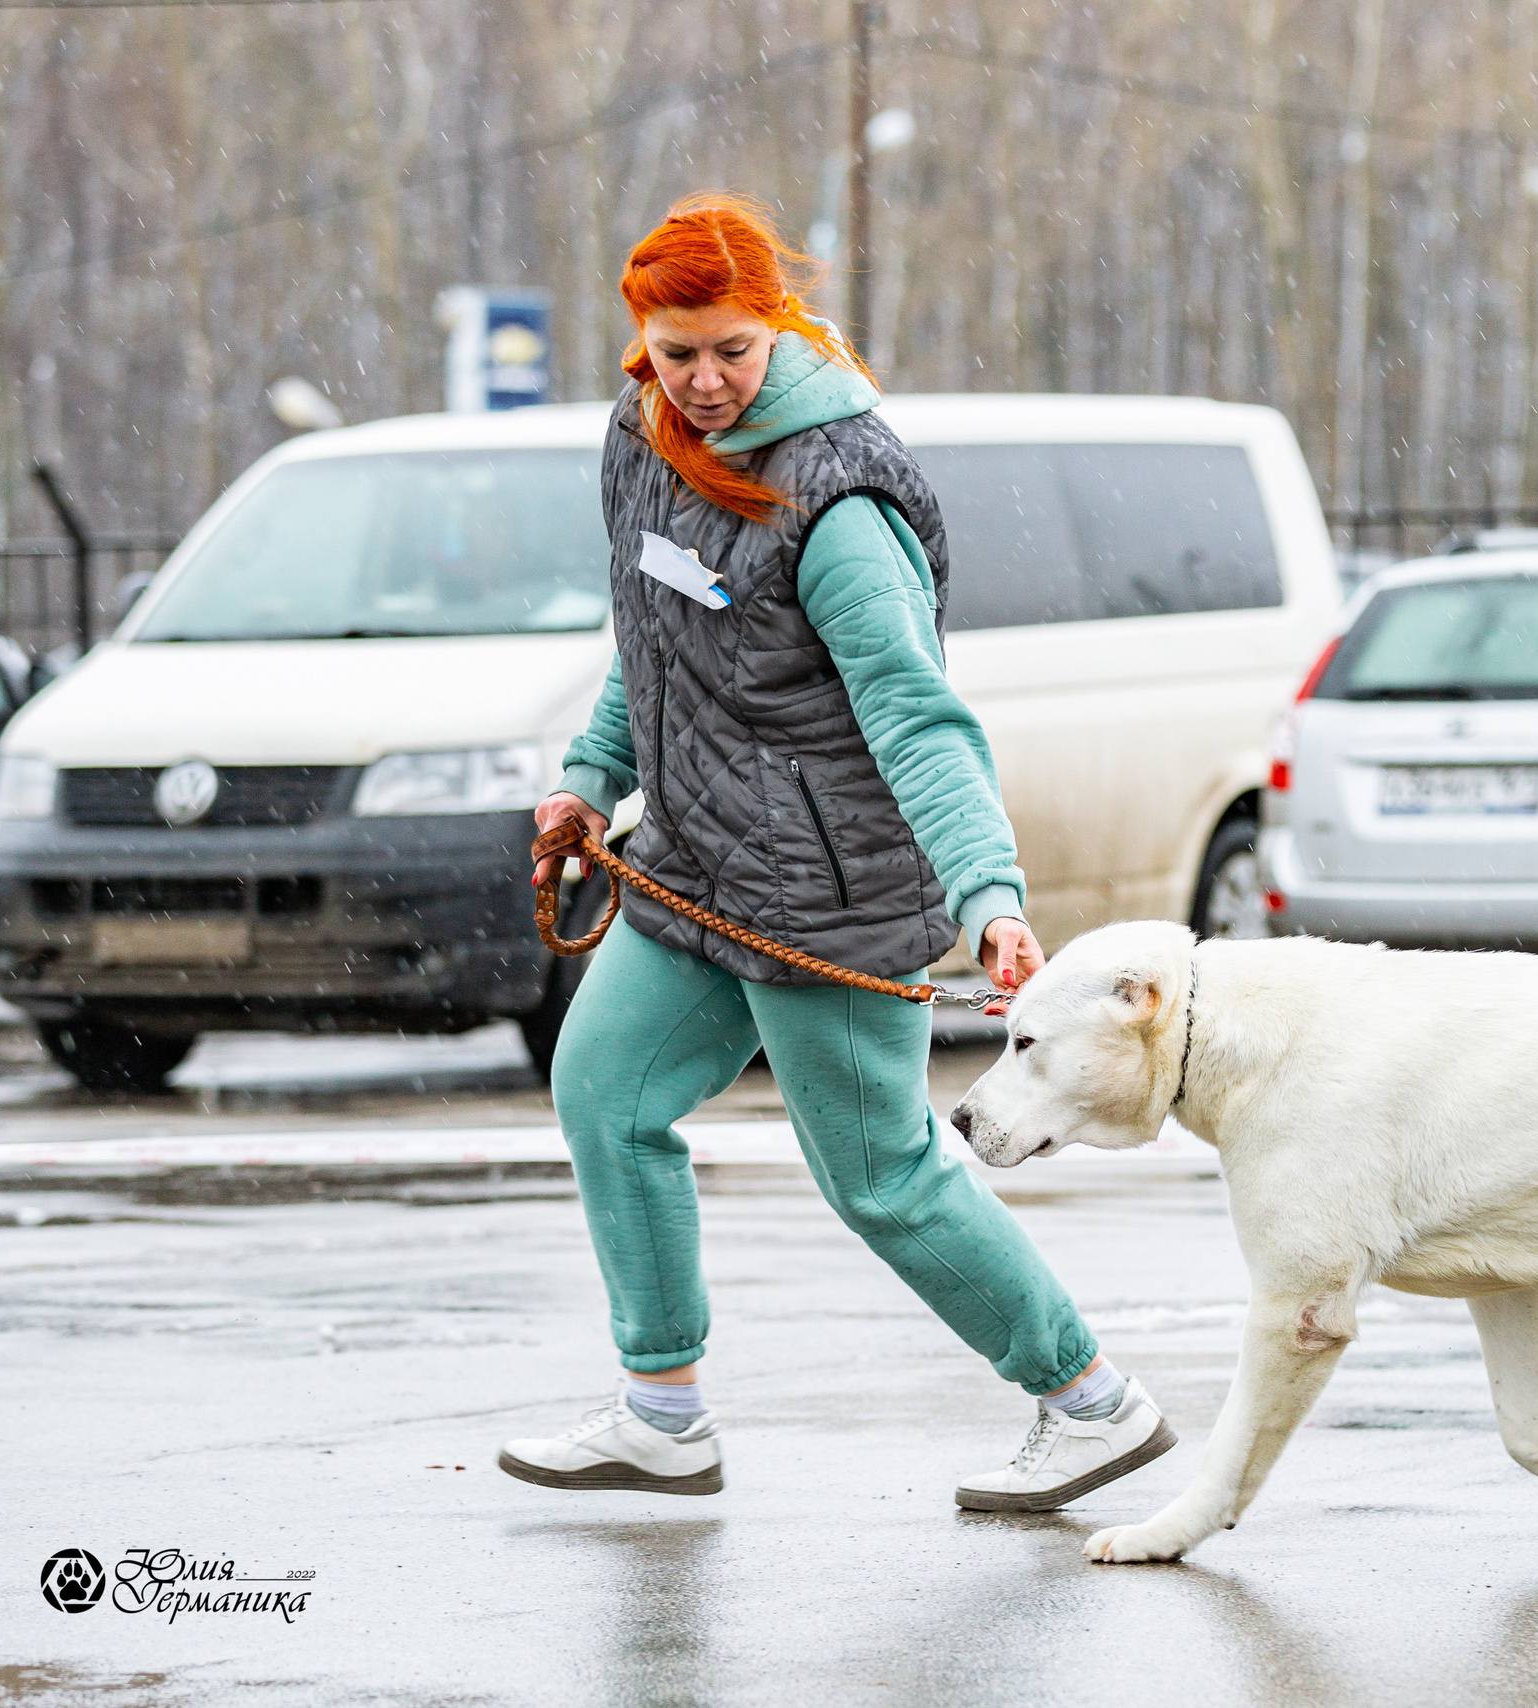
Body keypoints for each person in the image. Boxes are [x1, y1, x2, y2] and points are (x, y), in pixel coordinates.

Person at [495, 194, 1174, 1506]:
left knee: (881, 1181)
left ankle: (1093, 1402)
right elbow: (656, 641)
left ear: (779, 326)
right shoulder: (641, 440)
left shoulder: (837, 499)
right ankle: (663, 1412)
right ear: (641, 339)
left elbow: (918, 715)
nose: (704, 380)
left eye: (732, 350)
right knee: (604, 1095)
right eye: (677, 352)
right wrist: (590, 780)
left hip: (829, 889)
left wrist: (988, 895)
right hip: (693, 868)